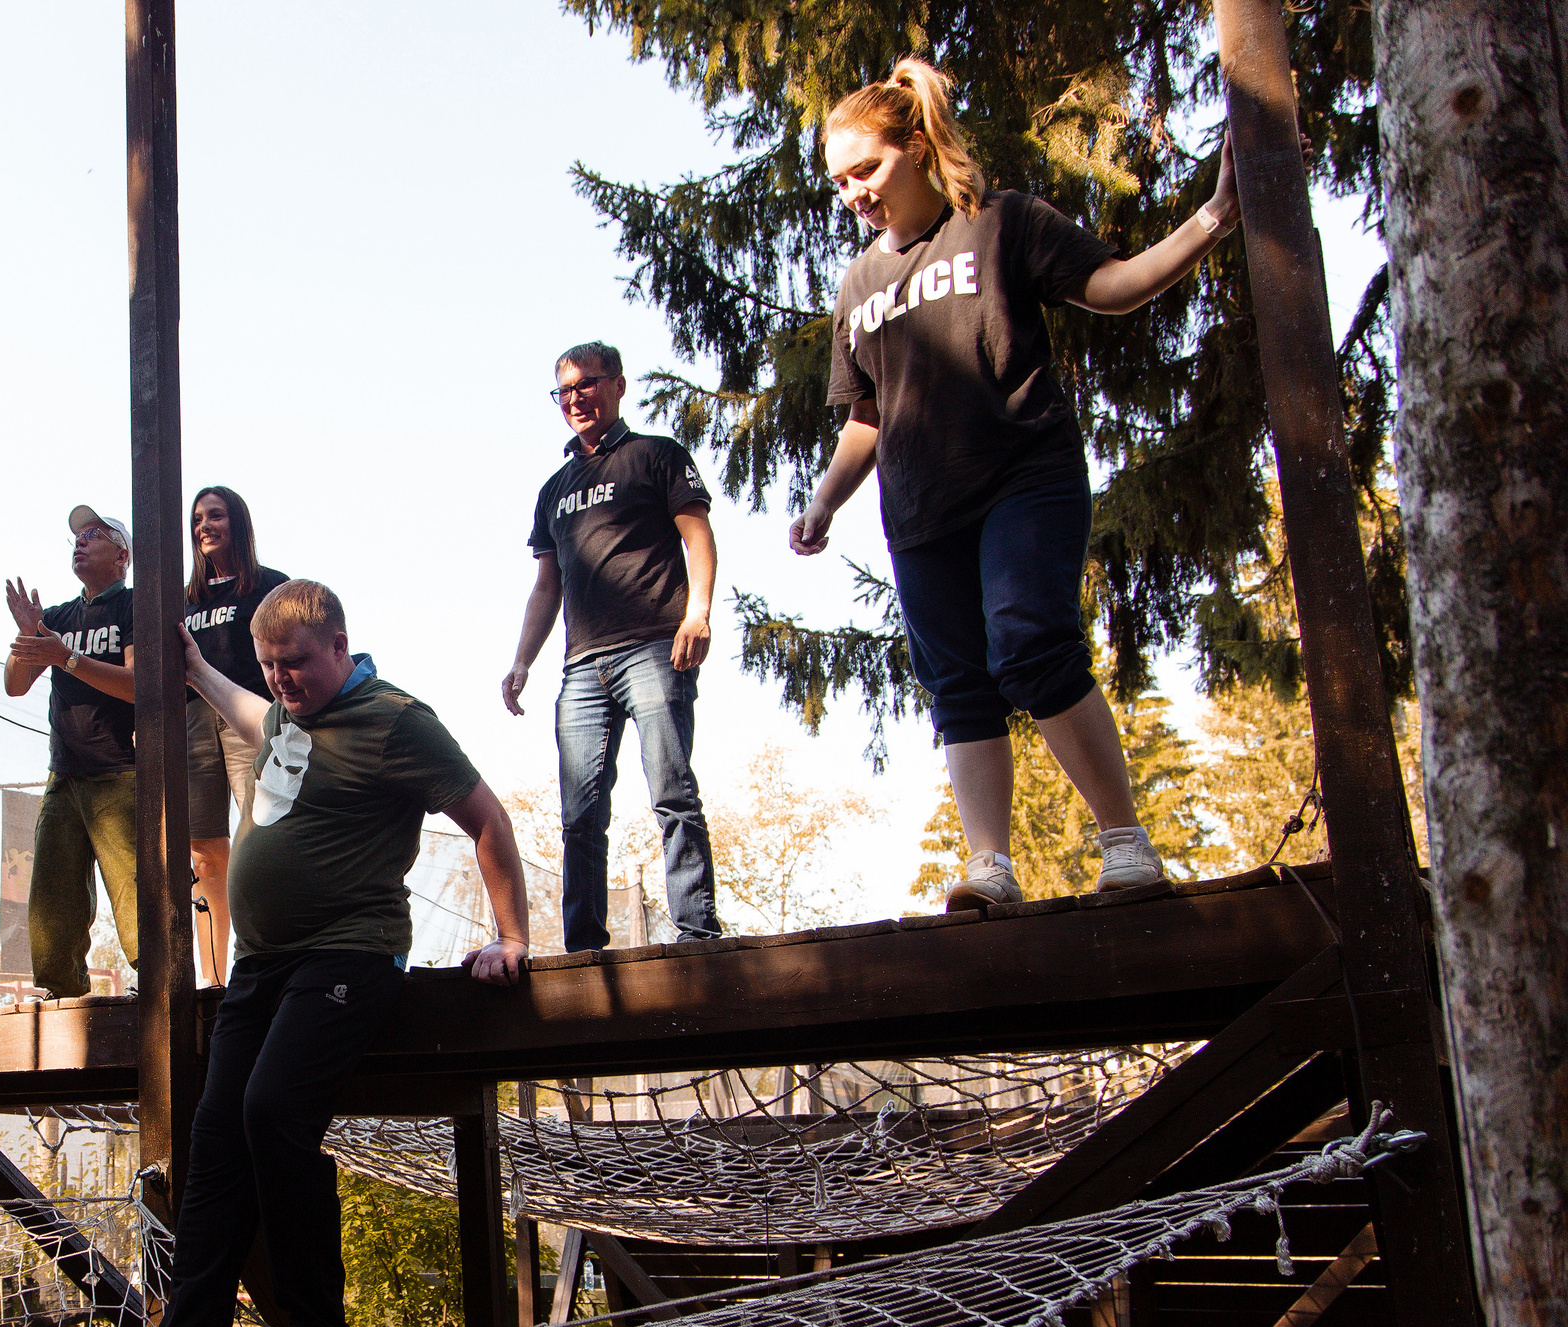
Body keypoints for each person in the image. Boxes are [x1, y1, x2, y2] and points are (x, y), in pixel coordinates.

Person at [789, 59, 1240, 909]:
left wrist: (1212, 219)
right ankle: (989, 869)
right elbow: (865, 418)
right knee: (959, 683)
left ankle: (1127, 847)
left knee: (1030, 641)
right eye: (840, 180)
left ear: (916, 147)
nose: (854, 192)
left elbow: (1111, 287)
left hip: (1022, 477)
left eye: (868, 169)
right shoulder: (859, 283)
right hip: (921, 513)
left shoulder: (1002, 224)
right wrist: (824, 501)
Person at [85, 580, 531, 1327]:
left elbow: (487, 821)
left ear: (340, 647)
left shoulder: (398, 721)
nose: (282, 679)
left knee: (268, 1110)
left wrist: (512, 935)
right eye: (268, 666)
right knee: (211, 1149)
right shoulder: (291, 714)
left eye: (295, 663)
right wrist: (194, 670)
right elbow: (254, 714)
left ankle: (319, 1325)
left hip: (349, 956)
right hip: (261, 966)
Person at [504, 341, 723, 953]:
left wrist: (698, 612)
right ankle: (583, 948)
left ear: (618, 385)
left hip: (655, 647)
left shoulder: (655, 457)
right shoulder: (555, 488)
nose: (576, 398)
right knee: (580, 814)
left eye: (587, 384)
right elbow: (547, 583)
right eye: (564, 391)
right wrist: (523, 660)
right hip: (581, 668)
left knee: (672, 790)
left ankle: (698, 934)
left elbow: (698, 535)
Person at [4, 505, 141, 998]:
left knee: (133, 890)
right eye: (76, 538)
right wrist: (29, 634)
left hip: (120, 773)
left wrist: (67, 656)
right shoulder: (57, 617)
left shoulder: (134, 607)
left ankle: (157, 984)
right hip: (63, 775)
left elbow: (140, 686)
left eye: (94, 534)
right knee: (53, 895)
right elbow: (14, 684)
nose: (81, 542)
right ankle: (60, 991)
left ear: (122, 555)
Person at [179, 485, 289, 985]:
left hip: (249, 718)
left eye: (216, 515)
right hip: (192, 723)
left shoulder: (269, 585)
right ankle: (214, 978)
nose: (205, 525)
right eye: (198, 518)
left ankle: (261, 961)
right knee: (204, 852)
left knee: (257, 838)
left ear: (238, 524)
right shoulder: (181, 600)